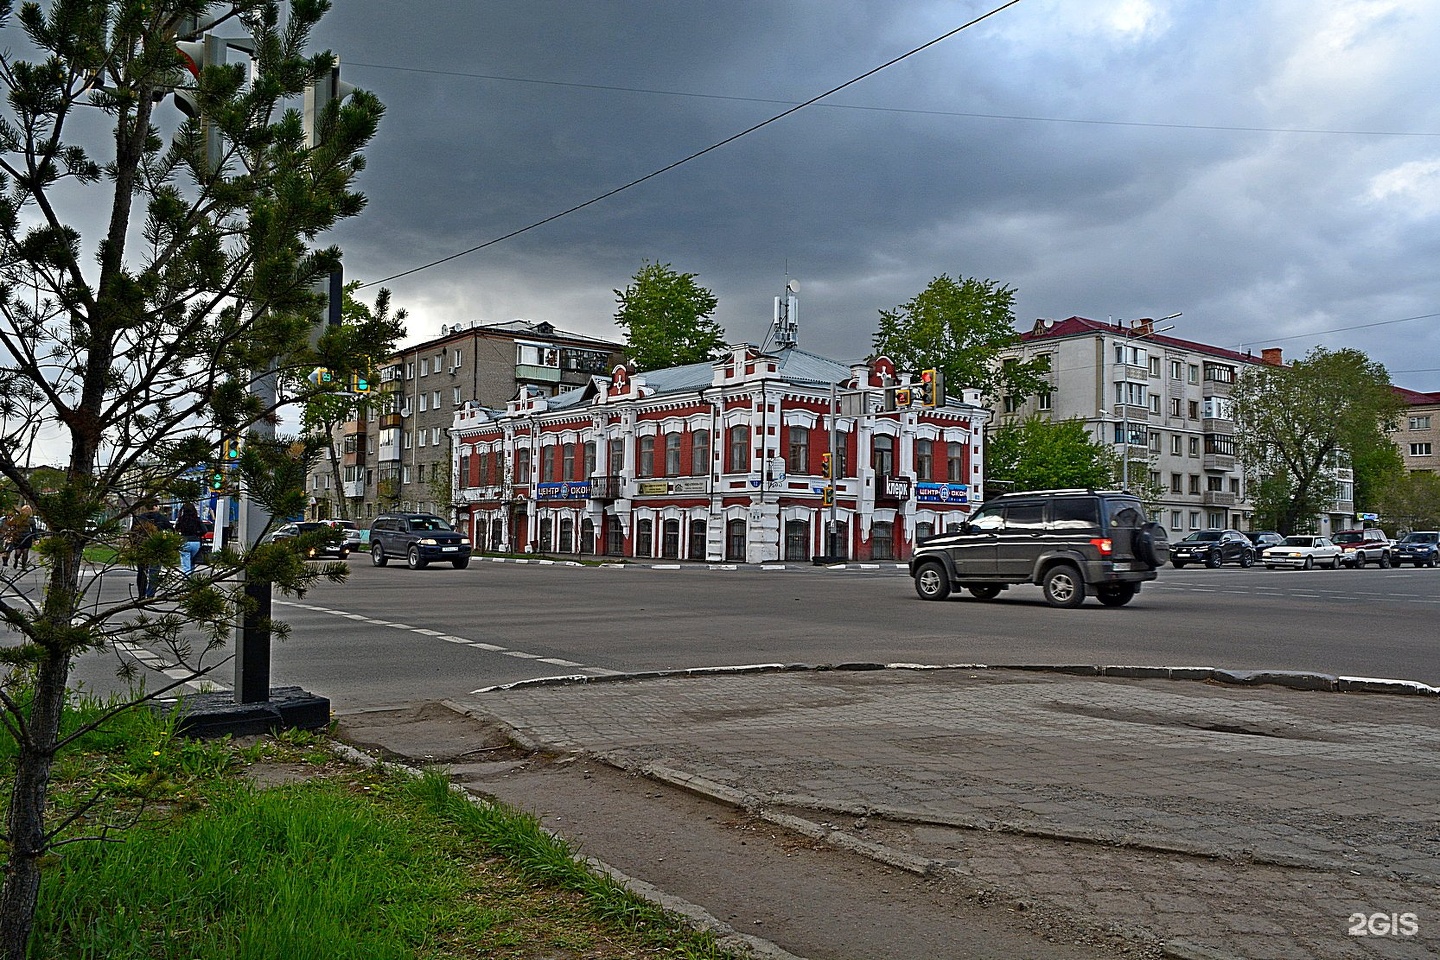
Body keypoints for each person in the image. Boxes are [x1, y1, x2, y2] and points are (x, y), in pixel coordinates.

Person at [132, 500, 171, 599]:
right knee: (154, 572)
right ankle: (150, 594)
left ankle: (141, 594)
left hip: (142, 547)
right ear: (155, 506)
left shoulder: (139, 518)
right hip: (156, 547)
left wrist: (135, 544)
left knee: (142, 572)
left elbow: (133, 533)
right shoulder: (162, 518)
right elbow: (171, 530)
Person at [175, 502, 205, 576]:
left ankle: (186, 579)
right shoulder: (197, 519)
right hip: (196, 542)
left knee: (186, 564)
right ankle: (191, 577)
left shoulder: (181, 519)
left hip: (184, 541)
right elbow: (204, 530)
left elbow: (176, 528)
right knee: (192, 562)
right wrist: (198, 535)